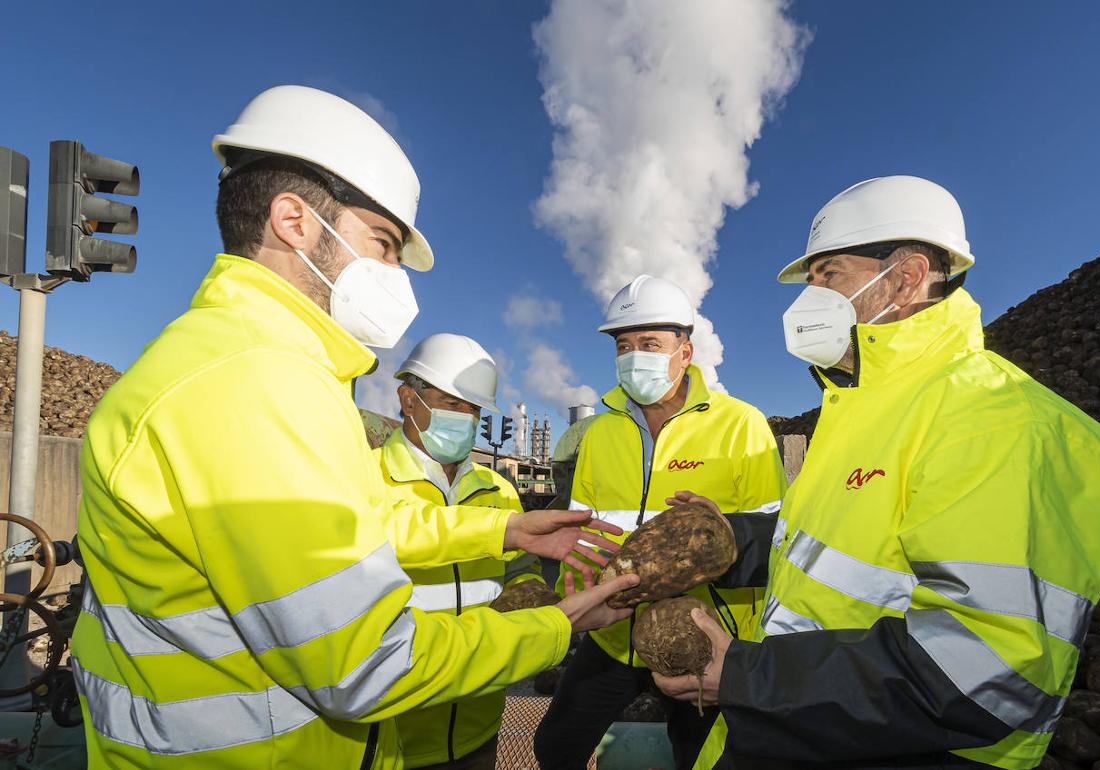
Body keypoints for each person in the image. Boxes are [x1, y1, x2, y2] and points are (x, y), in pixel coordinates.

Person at [71, 85, 636, 770]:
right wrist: (557, 624)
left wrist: (508, 529)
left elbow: (362, 528)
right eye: (385, 243)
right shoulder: (256, 383)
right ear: (294, 221)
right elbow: (368, 665)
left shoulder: (237, 363)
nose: (396, 275)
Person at [653, 176, 1100, 770]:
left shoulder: (999, 419)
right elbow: (837, 547)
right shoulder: (861, 407)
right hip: (807, 730)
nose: (806, 300)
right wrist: (730, 541)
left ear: (906, 278)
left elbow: (988, 669)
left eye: (829, 275)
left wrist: (746, 677)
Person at [535, 275, 788, 770]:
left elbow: (775, 540)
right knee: (556, 745)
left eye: (650, 344)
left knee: (696, 756)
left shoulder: (741, 425)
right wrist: (576, 603)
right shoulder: (601, 433)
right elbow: (585, 531)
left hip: (701, 633)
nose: (634, 356)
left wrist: (720, 540)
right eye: (624, 345)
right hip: (613, 631)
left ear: (686, 351)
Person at [378, 333, 549, 770]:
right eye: (451, 403)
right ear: (407, 399)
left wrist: (530, 597)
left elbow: (522, 568)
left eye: (472, 408)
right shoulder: (367, 479)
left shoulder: (500, 490)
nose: (464, 417)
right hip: (393, 733)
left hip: (479, 725)